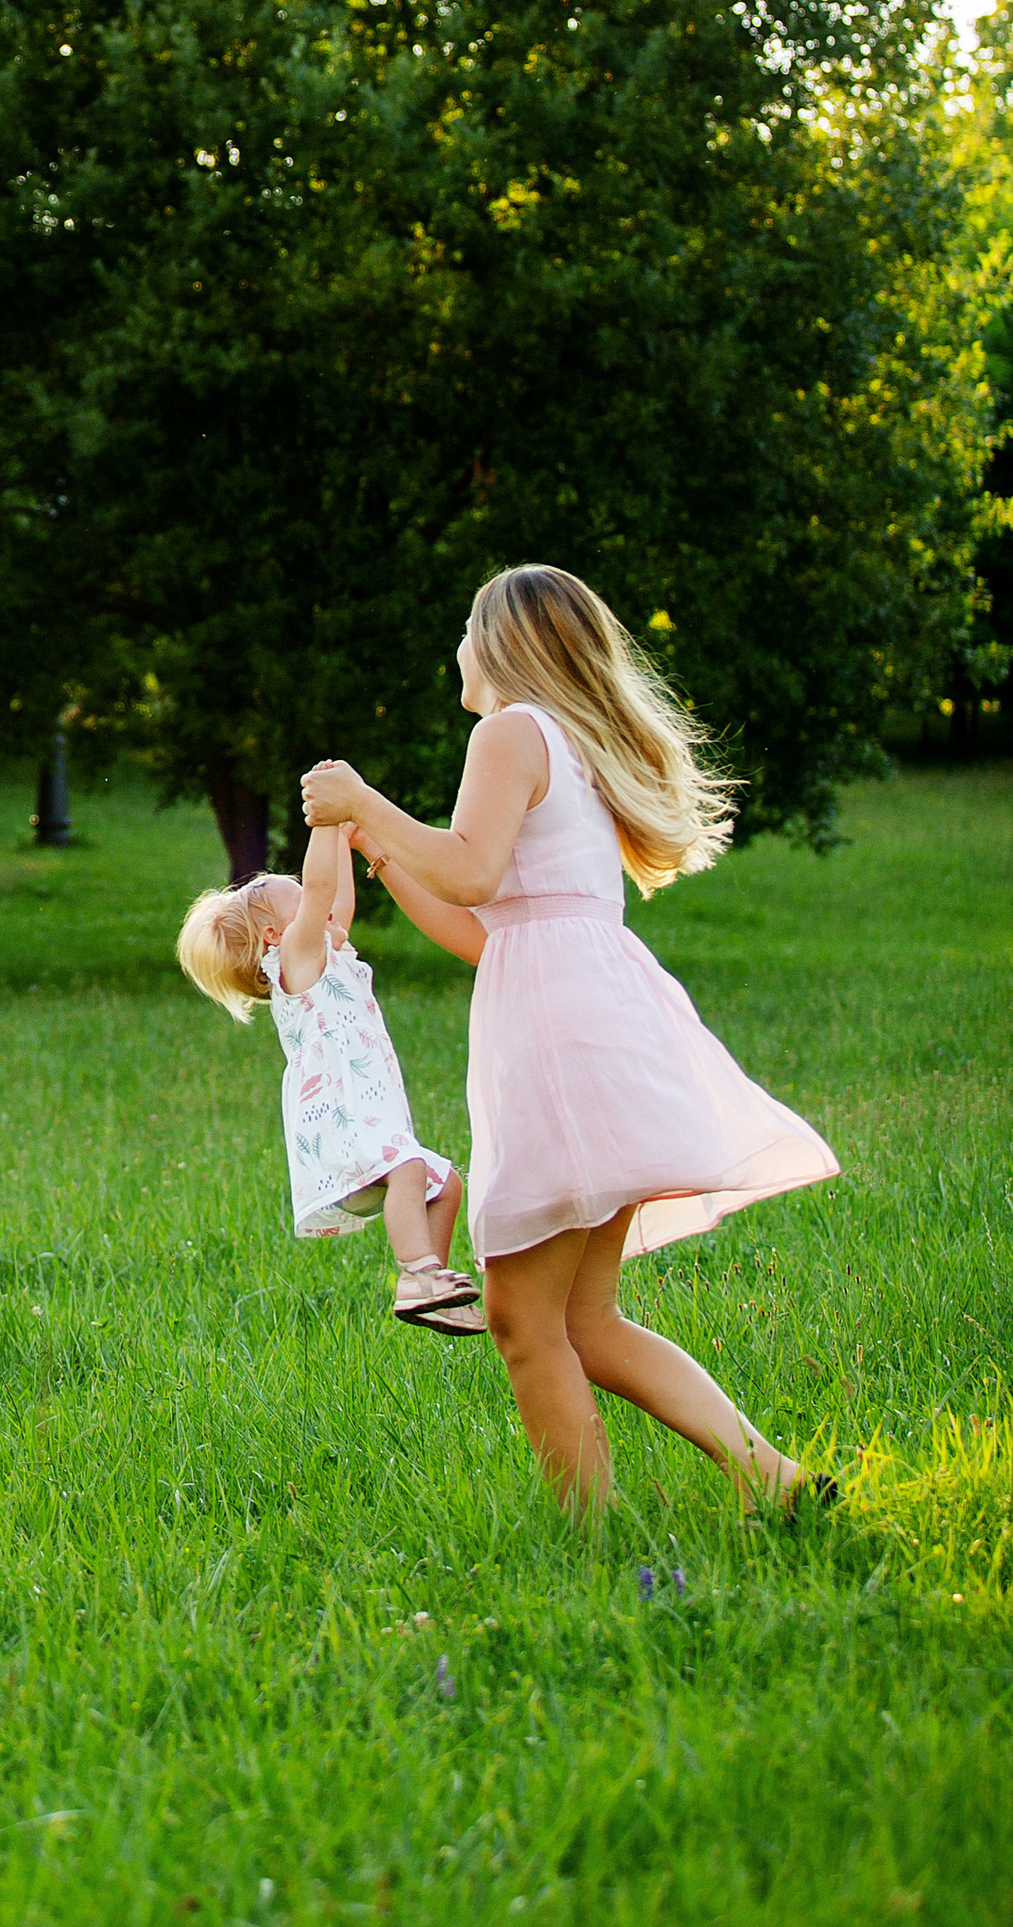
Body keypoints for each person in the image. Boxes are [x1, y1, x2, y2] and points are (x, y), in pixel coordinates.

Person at [300, 562, 839, 1515]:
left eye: (468, 629)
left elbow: (469, 871)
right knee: (584, 1317)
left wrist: (361, 800)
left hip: (556, 1039)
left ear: (502, 643)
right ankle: (776, 1481)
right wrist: (379, 847)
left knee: (520, 1320)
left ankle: (591, 1540)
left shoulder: (509, 730)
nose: (458, 649)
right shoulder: (572, 746)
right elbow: (485, 931)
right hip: (591, 1016)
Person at [178, 809, 483, 1331]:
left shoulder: (325, 952)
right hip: (340, 1128)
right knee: (410, 1169)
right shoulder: (296, 961)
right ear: (276, 934)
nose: (312, 899)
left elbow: (335, 899)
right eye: (297, 900)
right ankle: (417, 1272)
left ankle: (433, 1293)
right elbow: (321, 889)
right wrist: (323, 819)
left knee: (447, 1182)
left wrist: (343, 836)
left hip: (369, 1124)